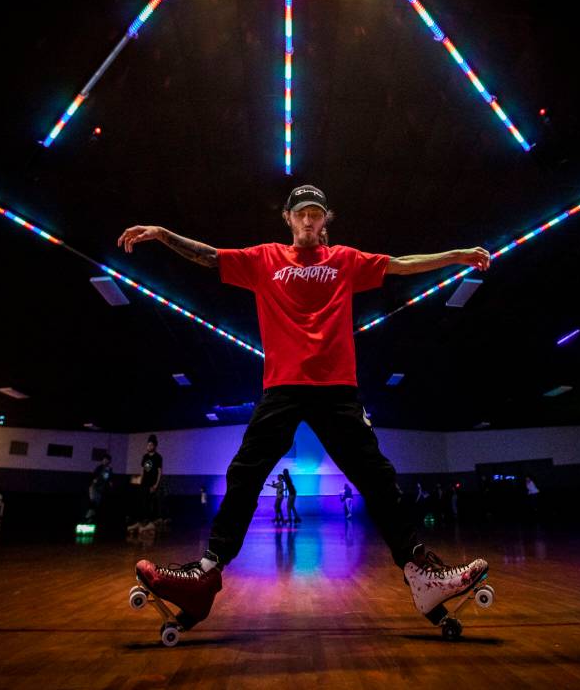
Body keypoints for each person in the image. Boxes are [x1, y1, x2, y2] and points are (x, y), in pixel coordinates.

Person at [119, 184, 491, 630]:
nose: (309, 220)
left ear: (325, 219)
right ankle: (206, 572)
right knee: (245, 472)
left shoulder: (345, 260)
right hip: (283, 387)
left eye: (316, 213)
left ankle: (420, 572)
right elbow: (210, 257)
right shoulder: (265, 259)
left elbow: (400, 264)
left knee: (377, 476)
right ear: (289, 218)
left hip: (337, 389)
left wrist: (455, 256)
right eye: (301, 213)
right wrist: (162, 234)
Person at [128, 436, 163, 533]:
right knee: (141, 502)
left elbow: (159, 472)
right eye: (148, 445)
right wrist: (140, 480)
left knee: (149, 503)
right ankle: (140, 522)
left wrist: (156, 485)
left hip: (152, 484)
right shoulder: (145, 457)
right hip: (144, 483)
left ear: (154, 446)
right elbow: (143, 470)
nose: (149, 446)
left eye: (151, 445)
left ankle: (150, 524)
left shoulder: (158, 457)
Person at [85, 453, 114, 523]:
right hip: (94, 487)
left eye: (106, 460)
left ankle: (91, 517)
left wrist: (110, 482)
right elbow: (94, 476)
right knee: (93, 501)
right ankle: (88, 516)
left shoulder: (109, 469)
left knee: (96, 504)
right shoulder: (99, 468)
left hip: (100, 489)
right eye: (104, 460)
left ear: (109, 461)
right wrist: (94, 480)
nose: (105, 461)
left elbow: (109, 478)